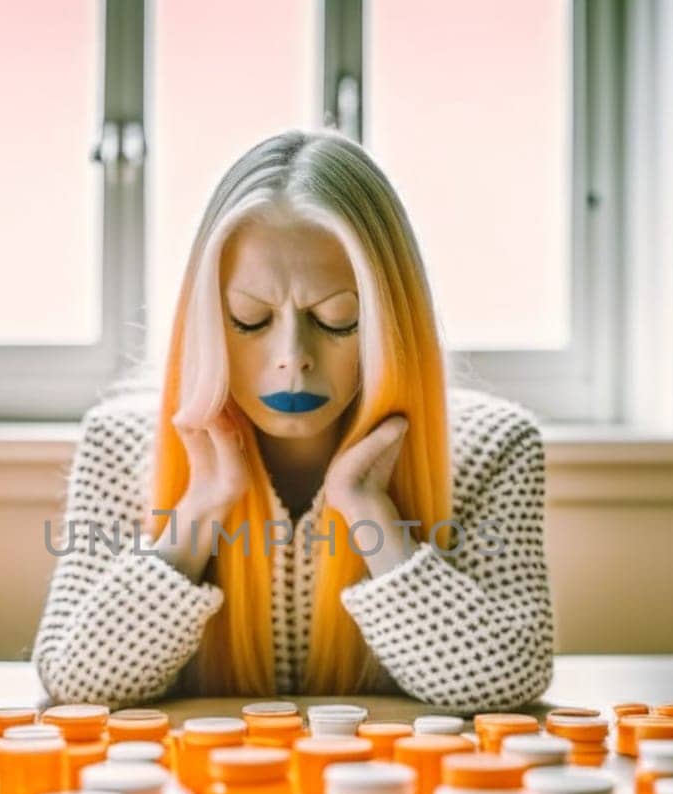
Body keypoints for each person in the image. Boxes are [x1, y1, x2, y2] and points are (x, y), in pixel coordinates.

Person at [31, 128, 553, 711]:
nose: (292, 356)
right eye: (250, 320)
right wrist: (200, 508)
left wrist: (369, 512)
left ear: (391, 324)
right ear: (207, 322)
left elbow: (509, 678)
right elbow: (77, 682)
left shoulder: (494, 449)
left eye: (336, 320)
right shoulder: (119, 444)